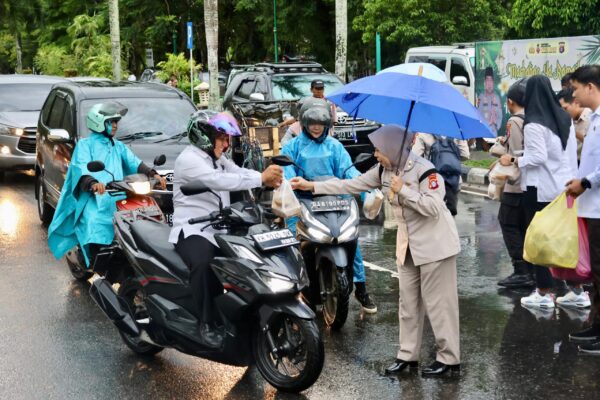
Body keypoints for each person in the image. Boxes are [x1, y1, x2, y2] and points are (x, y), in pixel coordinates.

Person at [290, 125, 461, 377]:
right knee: (408, 303)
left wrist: (403, 189)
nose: (376, 154)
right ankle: (407, 356)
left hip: (436, 245)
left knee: (439, 304)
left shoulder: (426, 171)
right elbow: (351, 185)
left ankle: (449, 360)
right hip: (409, 246)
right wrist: (310, 186)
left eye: (380, 149)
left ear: (393, 147)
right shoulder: (384, 169)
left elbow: (434, 208)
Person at [169, 111, 283, 347]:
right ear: (204, 136)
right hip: (194, 228)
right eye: (221, 137)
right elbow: (218, 181)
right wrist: (260, 178)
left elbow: (237, 172)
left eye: (226, 138)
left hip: (221, 226)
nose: (226, 143)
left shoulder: (217, 158)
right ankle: (206, 322)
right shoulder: (189, 160)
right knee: (203, 265)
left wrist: (266, 177)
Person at [281, 98, 377, 313]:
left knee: (352, 240)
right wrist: (289, 191)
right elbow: (287, 177)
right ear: (304, 122)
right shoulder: (292, 146)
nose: (316, 127)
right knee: (291, 241)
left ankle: (361, 288)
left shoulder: (335, 146)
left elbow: (349, 173)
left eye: (321, 123)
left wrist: (367, 191)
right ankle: (294, 289)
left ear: (327, 124)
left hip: (335, 201)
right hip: (304, 203)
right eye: (312, 122)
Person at [48, 102, 167, 266]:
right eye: (111, 122)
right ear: (99, 122)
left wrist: (153, 174)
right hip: (95, 197)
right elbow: (81, 167)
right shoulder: (85, 145)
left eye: (116, 122)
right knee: (94, 221)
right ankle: (90, 257)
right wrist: (92, 182)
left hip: (121, 194)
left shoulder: (118, 146)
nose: (115, 126)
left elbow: (134, 162)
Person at [499, 75, 578, 309]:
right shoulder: (563, 118)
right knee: (563, 239)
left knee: (540, 240)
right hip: (563, 185)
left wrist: (513, 158)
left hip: (539, 189)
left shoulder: (534, 123)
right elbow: (561, 153)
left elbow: (538, 157)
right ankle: (576, 289)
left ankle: (544, 293)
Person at [564, 65, 600, 353]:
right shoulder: (595, 119)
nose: (573, 94)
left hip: (598, 206)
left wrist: (585, 181)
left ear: (590, 87)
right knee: (595, 274)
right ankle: (596, 325)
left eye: (575, 88)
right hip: (590, 206)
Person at [496, 78, 535, 289]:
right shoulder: (531, 119)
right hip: (529, 184)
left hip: (515, 183)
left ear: (510, 101)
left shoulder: (513, 121)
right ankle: (530, 269)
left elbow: (517, 153)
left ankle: (521, 270)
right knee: (523, 227)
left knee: (508, 223)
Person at [412, 133, 470, 216]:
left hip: (432, 181)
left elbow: (415, 157)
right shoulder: (456, 130)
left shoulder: (423, 131)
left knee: (432, 218)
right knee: (449, 216)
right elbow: (465, 155)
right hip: (454, 180)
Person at [279, 79, 337, 144]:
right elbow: (298, 118)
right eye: (317, 88)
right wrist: (286, 122)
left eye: (321, 88)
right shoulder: (307, 102)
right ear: (311, 90)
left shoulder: (329, 102)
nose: (319, 91)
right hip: (308, 132)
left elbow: (333, 121)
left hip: (324, 133)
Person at [557, 87, 593, 162]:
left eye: (565, 108)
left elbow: (593, 144)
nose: (562, 113)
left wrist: (574, 131)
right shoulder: (566, 121)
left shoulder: (592, 118)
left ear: (576, 103)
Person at [478, 67, 503, 134]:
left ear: (493, 83)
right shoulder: (481, 97)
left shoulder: (497, 98)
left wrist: (495, 122)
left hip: (494, 132)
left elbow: (500, 116)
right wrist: (488, 123)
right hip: (483, 131)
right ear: (485, 83)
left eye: (491, 80)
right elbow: (478, 115)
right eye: (487, 80)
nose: (489, 83)